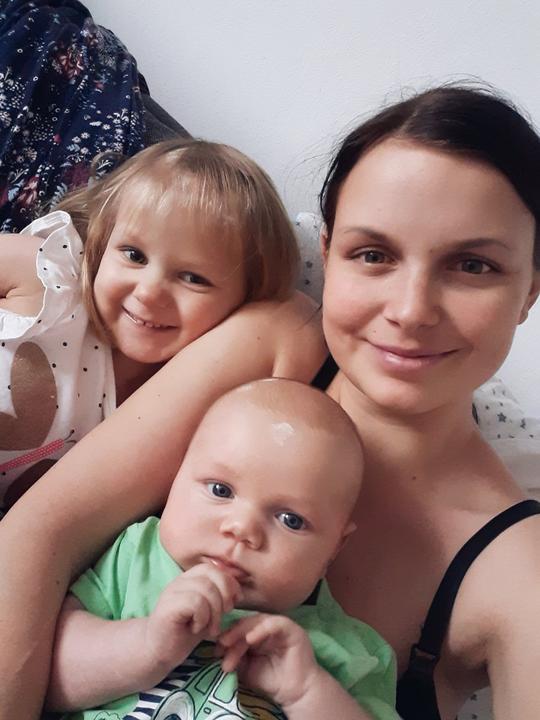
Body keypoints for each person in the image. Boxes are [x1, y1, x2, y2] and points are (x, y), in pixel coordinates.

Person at [1, 83, 540, 720]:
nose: (410, 310)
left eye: (473, 266)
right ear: (328, 255)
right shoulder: (279, 344)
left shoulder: (517, 567)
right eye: (372, 254)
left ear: (530, 289)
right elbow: (40, 536)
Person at [45, 379, 397, 720]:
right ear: (174, 478)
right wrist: (148, 645)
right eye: (220, 490)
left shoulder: (354, 650)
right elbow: (44, 679)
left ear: (334, 548)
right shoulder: (137, 557)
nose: (242, 529)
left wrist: (306, 692)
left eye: (291, 520)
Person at [0, 137, 304, 511]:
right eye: (134, 255)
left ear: (245, 302)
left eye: (193, 278)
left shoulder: (184, 409)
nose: (148, 292)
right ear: (102, 238)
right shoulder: (49, 276)